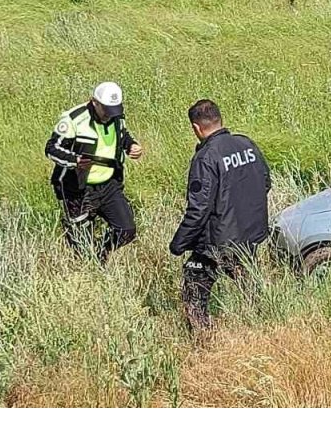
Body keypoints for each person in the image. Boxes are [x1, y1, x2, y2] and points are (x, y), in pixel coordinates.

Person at [169, 99, 272, 334]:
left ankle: (204, 341)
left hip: (217, 242)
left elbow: (199, 209)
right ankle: (262, 328)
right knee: (249, 286)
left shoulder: (206, 157)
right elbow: (265, 182)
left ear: (196, 128)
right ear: (219, 119)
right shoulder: (246, 144)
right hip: (250, 235)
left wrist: (179, 243)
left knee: (194, 292)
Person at [45, 81, 144, 264]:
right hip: (77, 187)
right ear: (94, 102)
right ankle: (89, 264)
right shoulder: (73, 119)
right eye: (106, 110)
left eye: (114, 110)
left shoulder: (115, 115)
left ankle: (101, 254)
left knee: (126, 230)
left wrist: (131, 146)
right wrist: (74, 161)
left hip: (109, 185)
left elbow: (123, 135)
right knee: (82, 245)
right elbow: (51, 148)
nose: (109, 115)